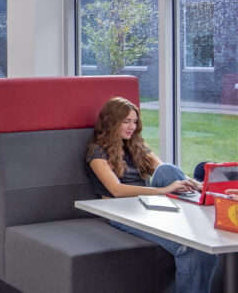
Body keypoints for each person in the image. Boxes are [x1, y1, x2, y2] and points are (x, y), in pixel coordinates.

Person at [85, 97, 218, 292]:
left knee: (166, 170)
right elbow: (116, 190)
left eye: (134, 121)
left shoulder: (135, 145)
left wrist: (200, 186)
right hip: (121, 211)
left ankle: (202, 211)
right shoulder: (96, 152)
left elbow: (166, 172)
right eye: (126, 121)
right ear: (111, 121)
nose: (132, 126)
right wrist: (162, 191)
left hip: (146, 205)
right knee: (193, 249)